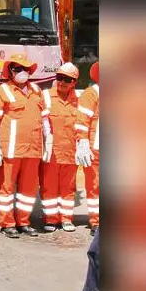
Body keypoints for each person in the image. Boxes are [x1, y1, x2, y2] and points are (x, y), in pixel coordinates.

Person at [0, 53, 49, 239]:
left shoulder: (37, 90)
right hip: (11, 149)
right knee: (6, 188)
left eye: (25, 69)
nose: (22, 72)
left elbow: (44, 118)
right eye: (17, 69)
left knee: (29, 189)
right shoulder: (2, 91)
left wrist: (49, 139)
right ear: (10, 71)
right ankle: (7, 223)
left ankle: (24, 221)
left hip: (34, 148)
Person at [40, 62, 81, 233]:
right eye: (59, 78)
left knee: (69, 186)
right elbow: (39, 122)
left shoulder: (79, 101)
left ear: (74, 82)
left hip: (71, 151)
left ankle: (66, 218)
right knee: (49, 185)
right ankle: (51, 219)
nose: (62, 82)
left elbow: (83, 124)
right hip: (51, 152)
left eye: (67, 79)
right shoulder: (46, 96)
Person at [75, 61, 100, 235]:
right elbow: (82, 120)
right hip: (96, 147)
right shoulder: (91, 94)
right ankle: (96, 221)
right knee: (95, 184)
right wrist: (83, 143)